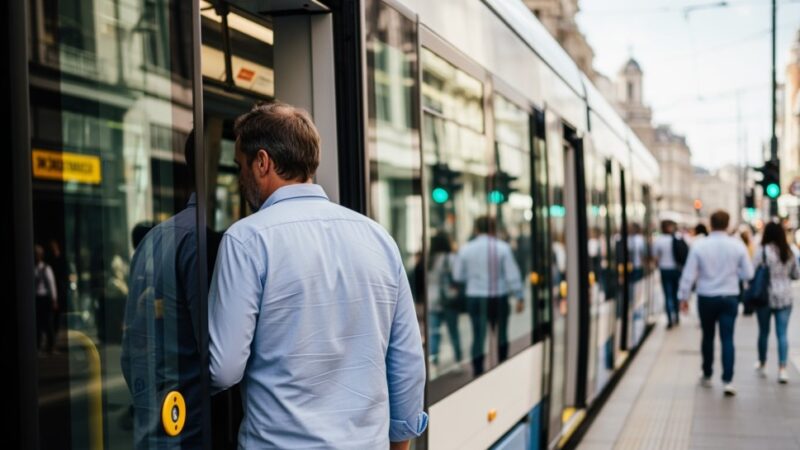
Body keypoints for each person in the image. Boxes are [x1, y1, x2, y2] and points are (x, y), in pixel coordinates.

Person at [208, 102, 427, 449]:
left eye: (240, 166)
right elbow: (407, 361)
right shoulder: (378, 238)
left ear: (262, 162)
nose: (240, 178)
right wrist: (398, 443)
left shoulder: (246, 239)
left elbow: (223, 369)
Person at [121, 131, 221, 449]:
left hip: (155, 425)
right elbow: (216, 359)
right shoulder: (200, 241)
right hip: (189, 429)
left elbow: (130, 350)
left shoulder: (152, 239)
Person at [678, 210, 754, 396]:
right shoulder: (737, 246)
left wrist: (683, 297)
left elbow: (689, 274)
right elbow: (748, 274)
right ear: (727, 224)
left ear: (711, 224)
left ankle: (707, 373)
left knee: (708, 336)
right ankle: (728, 380)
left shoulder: (700, 245)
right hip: (729, 297)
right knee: (728, 338)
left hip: (707, 297)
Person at [453, 215, 523, 376]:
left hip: (475, 297)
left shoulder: (466, 249)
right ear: (493, 229)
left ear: (476, 229)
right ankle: (502, 365)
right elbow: (512, 274)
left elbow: (458, 276)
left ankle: (478, 371)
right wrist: (519, 296)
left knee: (478, 335)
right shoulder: (503, 248)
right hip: (499, 296)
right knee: (502, 333)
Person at [753, 222, 799, 384]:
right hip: (785, 297)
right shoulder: (789, 251)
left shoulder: (762, 251)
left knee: (763, 332)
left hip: (765, 296)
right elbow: (796, 274)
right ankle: (782, 368)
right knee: (782, 334)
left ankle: (763, 363)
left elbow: (753, 271)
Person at [427, 230, 463, 369]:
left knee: (434, 333)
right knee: (453, 331)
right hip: (448, 300)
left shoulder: (429, 260)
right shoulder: (451, 258)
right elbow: (459, 277)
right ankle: (458, 360)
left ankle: (433, 361)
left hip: (432, 301)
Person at [653, 220, 681, 328]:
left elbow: (655, 257)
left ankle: (670, 319)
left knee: (668, 294)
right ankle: (677, 316)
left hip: (664, 270)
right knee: (675, 294)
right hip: (676, 270)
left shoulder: (659, 241)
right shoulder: (677, 238)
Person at [34, 244, 58, 354]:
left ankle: (51, 345)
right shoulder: (33, 268)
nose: (36, 256)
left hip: (45, 298)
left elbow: (51, 284)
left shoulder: (46, 268)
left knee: (48, 322)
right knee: (38, 323)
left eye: (38, 254)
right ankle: (38, 345)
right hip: (37, 298)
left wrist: (54, 299)